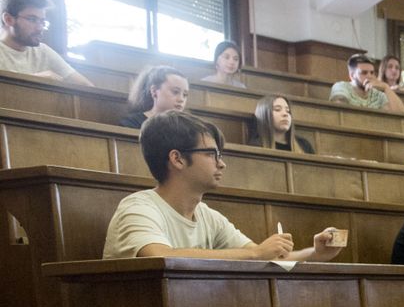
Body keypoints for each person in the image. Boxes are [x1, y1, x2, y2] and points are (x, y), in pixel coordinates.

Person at [102, 111, 342, 263]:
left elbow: (262, 257)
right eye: (210, 154)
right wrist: (256, 254)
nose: (222, 163)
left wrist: (315, 252)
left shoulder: (208, 216)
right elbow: (158, 255)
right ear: (177, 159)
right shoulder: (138, 208)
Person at [0, 0, 91, 85]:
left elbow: (87, 87)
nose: (39, 28)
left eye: (42, 21)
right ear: (8, 19)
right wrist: (35, 79)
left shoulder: (42, 51)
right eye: (32, 19)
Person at [117, 66, 188, 128]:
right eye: (175, 92)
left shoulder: (188, 128)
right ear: (154, 91)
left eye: (185, 95)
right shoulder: (132, 123)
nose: (181, 99)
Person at [329, 54, 404, 112]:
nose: (369, 76)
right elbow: (340, 112)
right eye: (364, 73)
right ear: (352, 75)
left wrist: (386, 87)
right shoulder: (341, 87)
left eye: (372, 73)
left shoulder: (377, 94)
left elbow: (401, 114)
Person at [247, 94, 314, 154]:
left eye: (288, 111)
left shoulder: (303, 145)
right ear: (265, 115)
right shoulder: (256, 147)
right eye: (277, 109)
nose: (285, 114)